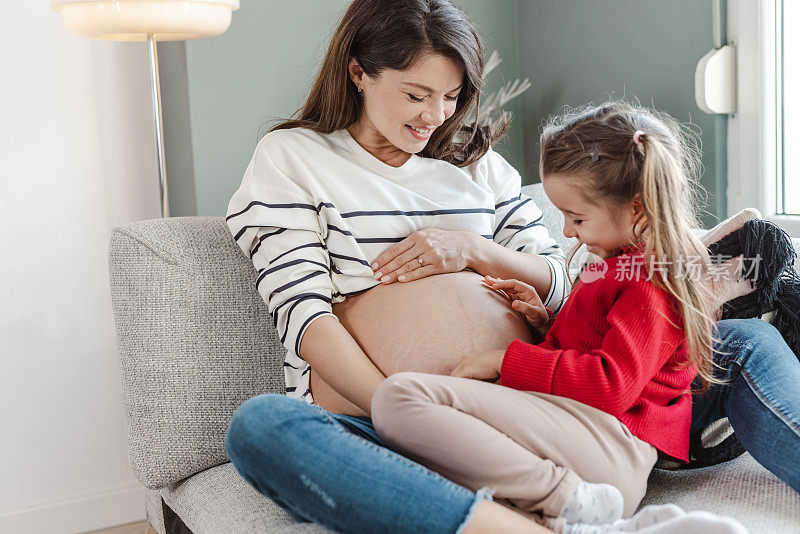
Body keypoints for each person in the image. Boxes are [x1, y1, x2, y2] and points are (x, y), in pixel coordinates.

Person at [223, 1, 800, 532]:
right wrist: (410, 411)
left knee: (741, 340)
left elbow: (568, 280)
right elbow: (303, 315)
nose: (434, 116)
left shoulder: (480, 169)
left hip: (551, 399)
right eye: (416, 94)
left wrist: (475, 251)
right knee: (263, 429)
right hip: (389, 420)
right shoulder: (294, 158)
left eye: (450, 97)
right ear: (358, 72)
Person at [368, 101, 747, 533]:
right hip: (583, 438)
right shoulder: (619, 263)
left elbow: (609, 384)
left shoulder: (650, 278)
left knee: (398, 398)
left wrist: (503, 361)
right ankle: (585, 519)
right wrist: (548, 323)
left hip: (612, 442)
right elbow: (604, 346)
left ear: (637, 208)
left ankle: (566, 498)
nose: (566, 230)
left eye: (576, 217)